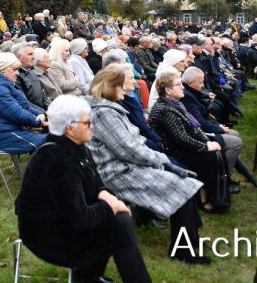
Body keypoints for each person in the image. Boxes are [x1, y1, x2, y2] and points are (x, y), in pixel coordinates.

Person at [16, 95, 152, 282]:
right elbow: (80, 219)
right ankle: (89, 276)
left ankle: (89, 276)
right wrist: (112, 206)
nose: (92, 126)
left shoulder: (76, 146)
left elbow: (94, 183)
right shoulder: (57, 160)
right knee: (119, 224)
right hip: (48, 235)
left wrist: (108, 197)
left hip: (66, 221)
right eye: (87, 123)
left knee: (118, 220)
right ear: (70, 128)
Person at [86, 64, 209, 265]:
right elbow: (128, 149)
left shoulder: (108, 108)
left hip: (127, 164)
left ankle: (190, 239)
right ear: (110, 87)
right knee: (183, 186)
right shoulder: (103, 113)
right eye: (122, 85)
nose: (131, 87)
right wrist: (162, 160)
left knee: (186, 181)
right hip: (117, 171)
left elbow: (133, 145)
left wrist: (158, 159)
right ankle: (182, 251)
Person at [149, 68, 223, 213]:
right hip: (173, 152)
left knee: (215, 149)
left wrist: (207, 141)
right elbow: (181, 138)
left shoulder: (176, 103)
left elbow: (195, 127)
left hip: (182, 147)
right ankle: (203, 197)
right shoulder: (164, 109)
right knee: (210, 157)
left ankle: (212, 193)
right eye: (178, 84)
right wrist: (205, 147)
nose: (182, 87)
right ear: (168, 90)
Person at [0, 52, 47, 153]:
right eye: (14, 69)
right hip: (5, 136)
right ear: (2, 70)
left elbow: (25, 107)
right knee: (53, 141)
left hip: (14, 130)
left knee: (58, 137)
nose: (18, 73)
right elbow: (17, 114)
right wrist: (38, 121)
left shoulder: (5, 84)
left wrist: (42, 114)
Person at [13, 42, 50, 111]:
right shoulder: (15, 76)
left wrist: (49, 109)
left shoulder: (32, 71)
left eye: (33, 54)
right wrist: (43, 112)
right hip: (34, 114)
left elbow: (42, 93)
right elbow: (24, 102)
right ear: (18, 57)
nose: (33, 57)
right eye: (30, 54)